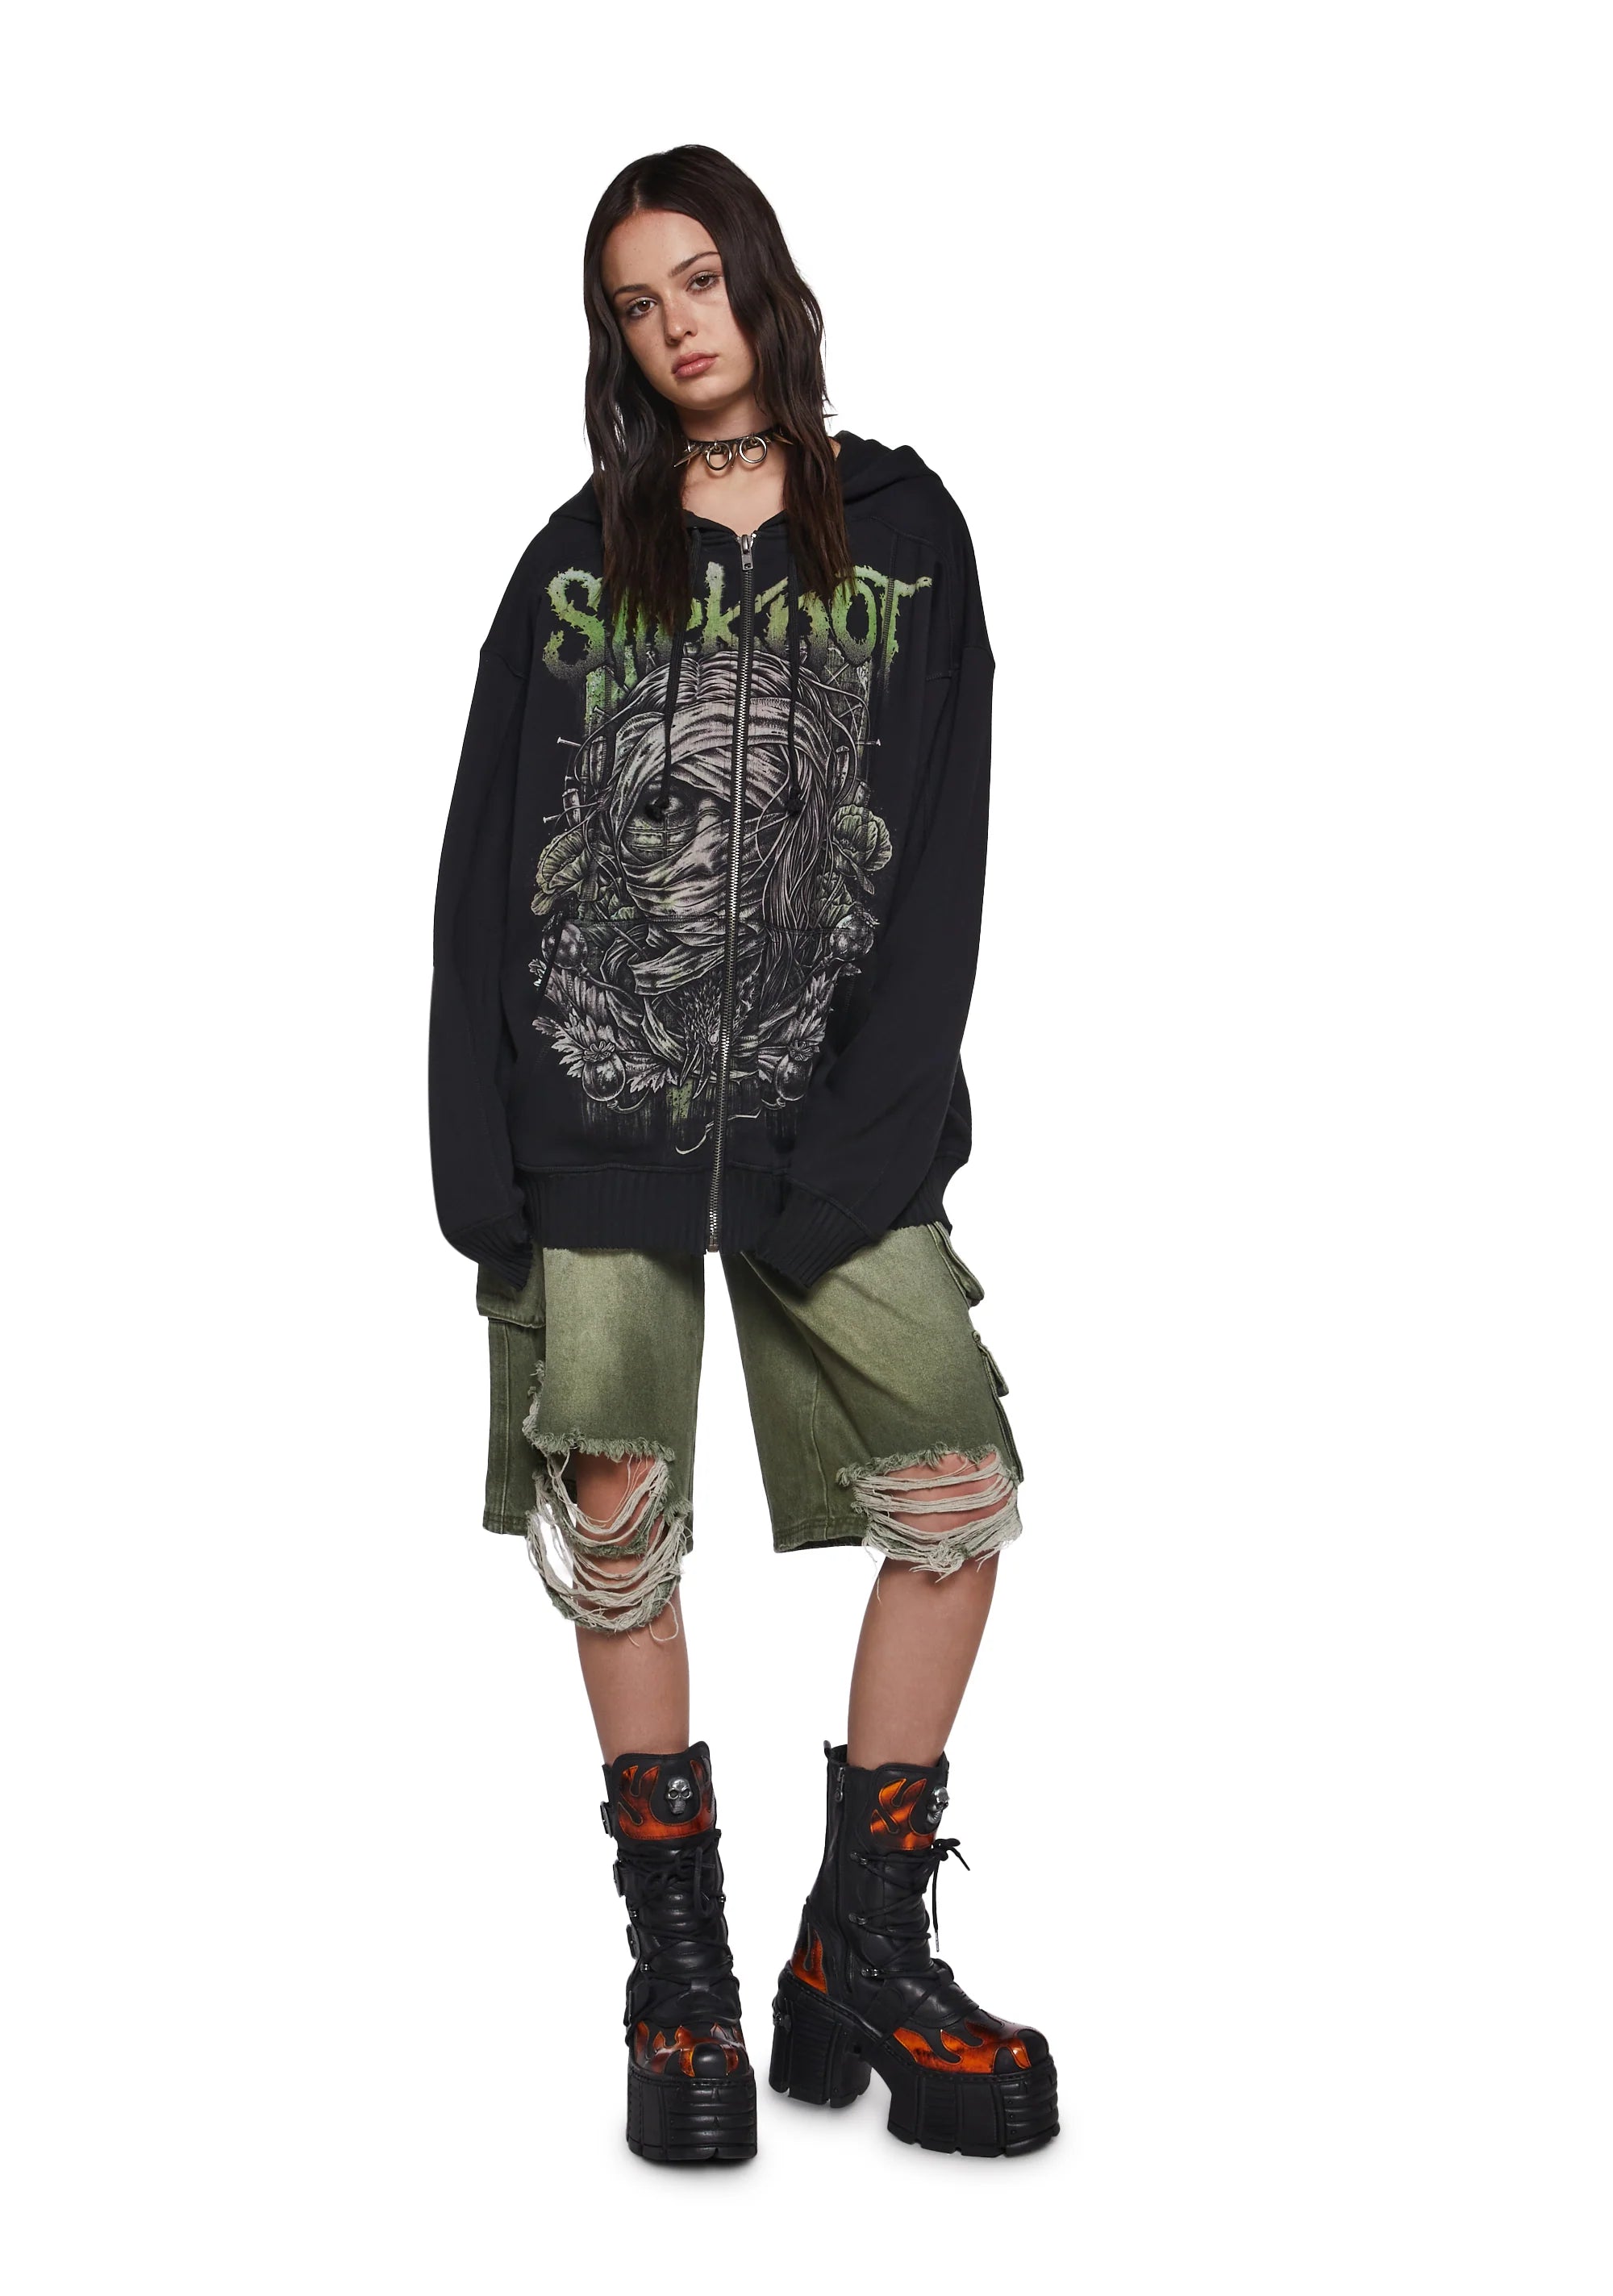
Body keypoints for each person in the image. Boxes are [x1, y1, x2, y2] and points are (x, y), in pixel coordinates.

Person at [429, 144, 1057, 2164]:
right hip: (590, 1117)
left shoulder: (907, 532)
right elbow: (483, 860)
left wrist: (879, 1128)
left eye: (698, 279)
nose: (675, 325)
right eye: (635, 302)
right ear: (612, 338)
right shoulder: (572, 560)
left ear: (760, 282)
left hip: (827, 1118)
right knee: (616, 1518)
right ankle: (677, 1976)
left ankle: (856, 1948)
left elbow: (941, 851)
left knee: (951, 1487)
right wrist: (477, 1151)